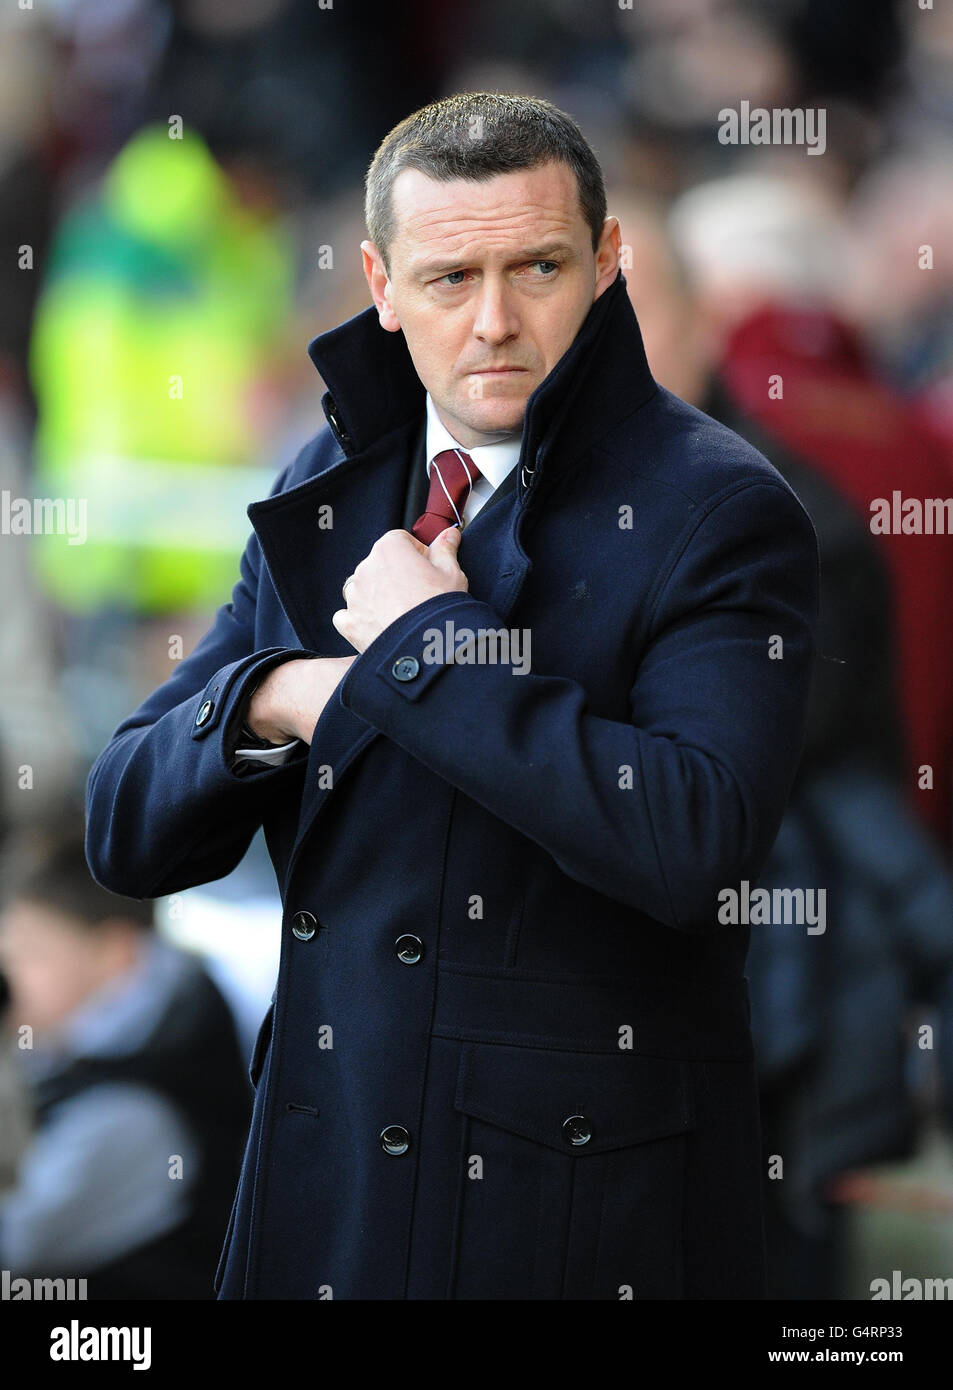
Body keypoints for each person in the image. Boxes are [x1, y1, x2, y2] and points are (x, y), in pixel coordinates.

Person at [86, 92, 819, 1300]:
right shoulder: (329, 477)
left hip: (571, 1221)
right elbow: (124, 822)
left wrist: (431, 647)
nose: (494, 321)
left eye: (537, 266)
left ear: (607, 260)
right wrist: (280, 695)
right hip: (325, 1191)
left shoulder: (719, 508)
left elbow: (691, 840)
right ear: (378, 282)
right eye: (446, 278)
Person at [0, 834, 251, 1298]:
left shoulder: (134, 1108)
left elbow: (16, 1247)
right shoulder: (144, 1032)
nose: (9, 980)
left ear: (116, 953)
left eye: (30, 955)